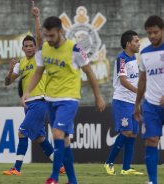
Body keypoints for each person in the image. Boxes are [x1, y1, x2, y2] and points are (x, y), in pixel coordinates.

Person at [22, 16, 106, 184]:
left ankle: (53, 177)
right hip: (50, 99)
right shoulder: (44, 49)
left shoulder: (75, 49)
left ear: (60, 32)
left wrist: (98, 96)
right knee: (65, 140)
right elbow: (38, 72)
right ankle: (73, 181)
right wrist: (28, 91)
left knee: (57, 134)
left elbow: (89, 72)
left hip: (69, 99)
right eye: (46, 35)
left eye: (51, 35)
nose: (48, 39)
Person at [3, 2, 65, 176]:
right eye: (26, 46)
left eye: (32, 45)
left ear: (35, 47)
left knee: (22, 132)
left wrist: (36, 17)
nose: (30, 48)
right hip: (28, 104)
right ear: (22, 48)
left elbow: (39, 36)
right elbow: (8, 82)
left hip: (39, 102)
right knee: (39, 138)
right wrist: (9, 70)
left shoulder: (39, 56)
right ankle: (60, 166)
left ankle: (16, 168)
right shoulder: (21, 63)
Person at [104, 30, 143, 176]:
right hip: (122, 101)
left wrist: (137, 102)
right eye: (136, 41)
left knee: (132, 134)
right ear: (128, 44)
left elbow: (134, 80)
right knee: (126, 132)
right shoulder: (122, 59)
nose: (139, 44)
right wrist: (138, 91)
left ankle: (126, 168)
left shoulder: (133, 59)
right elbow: (123, 81)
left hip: (133, 102)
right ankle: (109, 162)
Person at [134, 15, 164, 184]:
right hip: (151, 105)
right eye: (149, 33)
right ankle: (152, 181)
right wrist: (137, 104)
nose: (152, 36)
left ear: (162, 30)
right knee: (151, 140)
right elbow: (142, 80)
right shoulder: (144, 53)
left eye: (155, 32)